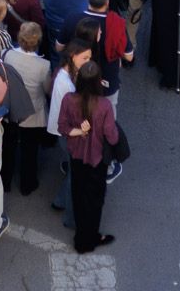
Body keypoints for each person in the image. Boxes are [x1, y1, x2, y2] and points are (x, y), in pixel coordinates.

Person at [57, 61, 120, 253]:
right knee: (95, 199)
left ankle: (81, 234)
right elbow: (112, 135)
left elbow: (62, 126)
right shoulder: (104, 105)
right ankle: (89, 237)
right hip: (97, 157)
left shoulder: (68, 99)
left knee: (78, 193)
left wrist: (78, 131)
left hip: (76, 154)